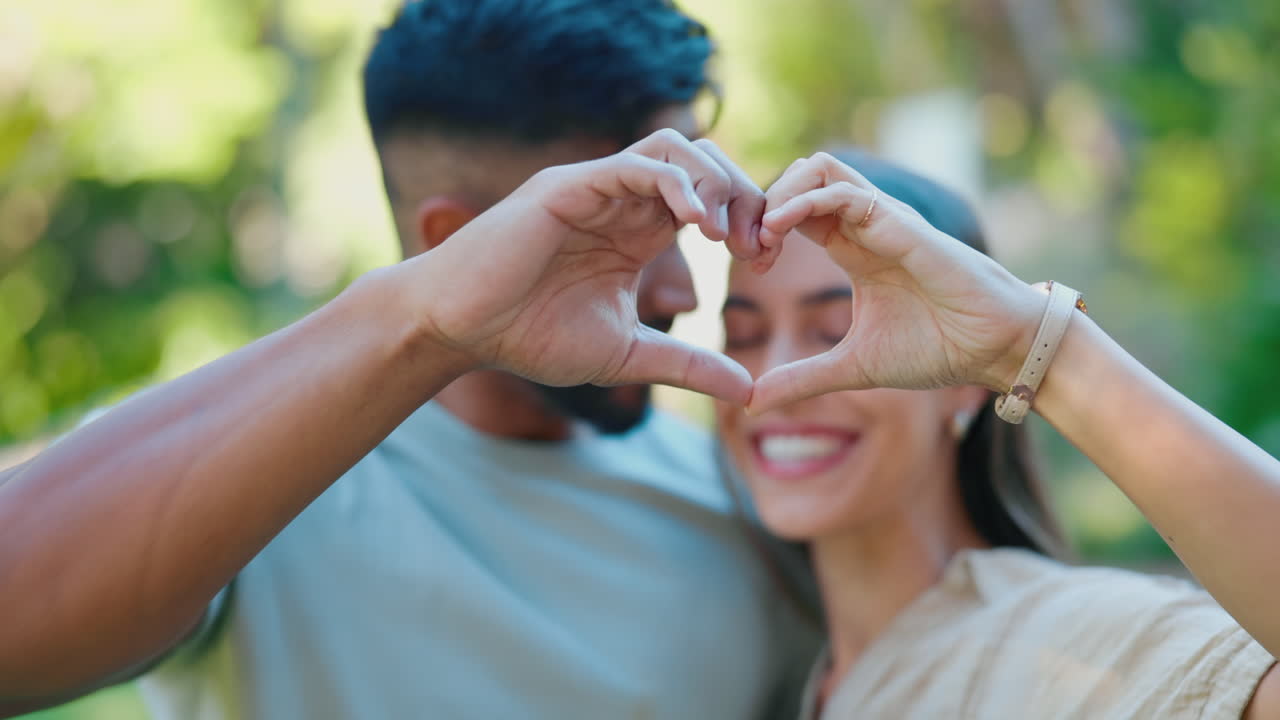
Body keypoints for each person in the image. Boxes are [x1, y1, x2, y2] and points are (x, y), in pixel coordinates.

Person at [0, 3, 816, 718]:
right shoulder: (249, 470)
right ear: (451, 242)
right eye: (623, 234)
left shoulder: (748, 504)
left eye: (680, 226)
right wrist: (421, 316)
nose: (682, 289)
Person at [715, 150, 1280, 718]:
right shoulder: (773, 675)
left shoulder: (1082, 643)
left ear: (962, 381)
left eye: (837, 330)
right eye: (742, 334)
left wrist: (1032, 352)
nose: (775, 377)